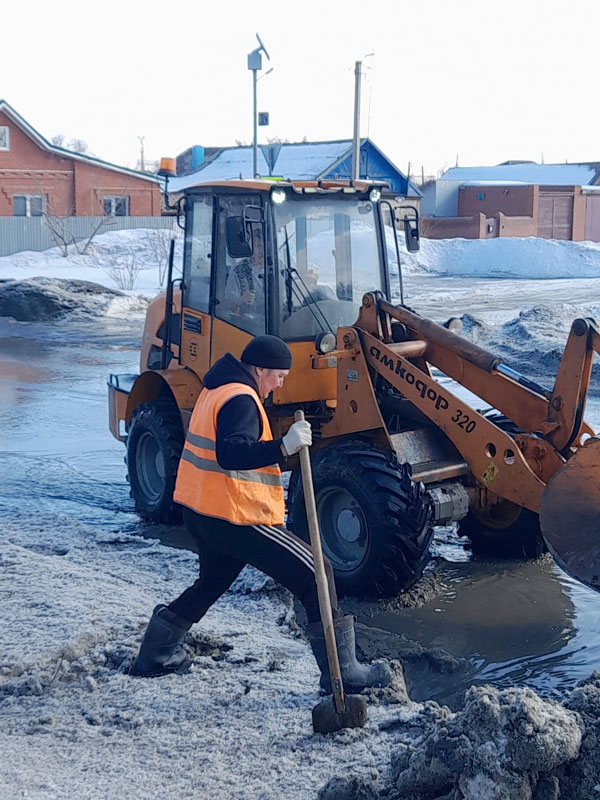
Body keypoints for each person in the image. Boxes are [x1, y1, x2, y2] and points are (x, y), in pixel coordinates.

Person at [130, 334, 391, 695]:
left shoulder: (217, 389)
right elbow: (232, 454)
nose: (280, 384)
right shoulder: (240, 398)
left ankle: (155, 655)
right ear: (260, 370)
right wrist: (284, 446)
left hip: (202, 509)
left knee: (212, 582)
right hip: (234, 515)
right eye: (279, 376)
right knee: (317, 572)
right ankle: (342, 671)